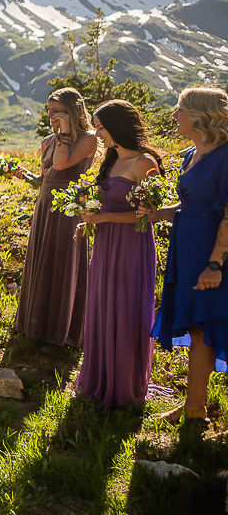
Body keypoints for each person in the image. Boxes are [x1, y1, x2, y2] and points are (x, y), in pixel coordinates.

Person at [149, 87, 228, 424]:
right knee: (198, 327)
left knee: (214, 324)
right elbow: (189, 205)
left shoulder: (226, 156)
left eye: (179, 109)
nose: (174, 115)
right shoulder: (190, 154)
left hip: (213, 250)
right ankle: (194, 407)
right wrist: (156, 213)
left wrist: (215, 264)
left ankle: (197, 407)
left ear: (198, 115)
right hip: (186, 246)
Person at [75, 100, 160, 407]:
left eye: (101, 127)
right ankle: (100, 375)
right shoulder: (110, 162)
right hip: (106, 242)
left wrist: (104, 218)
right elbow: (103, 204)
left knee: (125, 307)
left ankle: (124, 382)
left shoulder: (144, 162)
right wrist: (88, 219)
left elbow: (147, 215)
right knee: (102, 304)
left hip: (132, 245)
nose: (97, 134)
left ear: (118, 126)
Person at [11, 88, 97, 347]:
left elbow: (62, 164)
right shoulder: (49, 141)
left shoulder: (87, 139)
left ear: (71, 112)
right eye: (48, 111)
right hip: (46, 205)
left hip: (69, 208)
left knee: (63, 262)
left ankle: (62, 330)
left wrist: (67, 132)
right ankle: (35, 324)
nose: (50, 116)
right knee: (43, 258)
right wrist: (25, 175)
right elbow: (46, 176)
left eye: (57, 112)